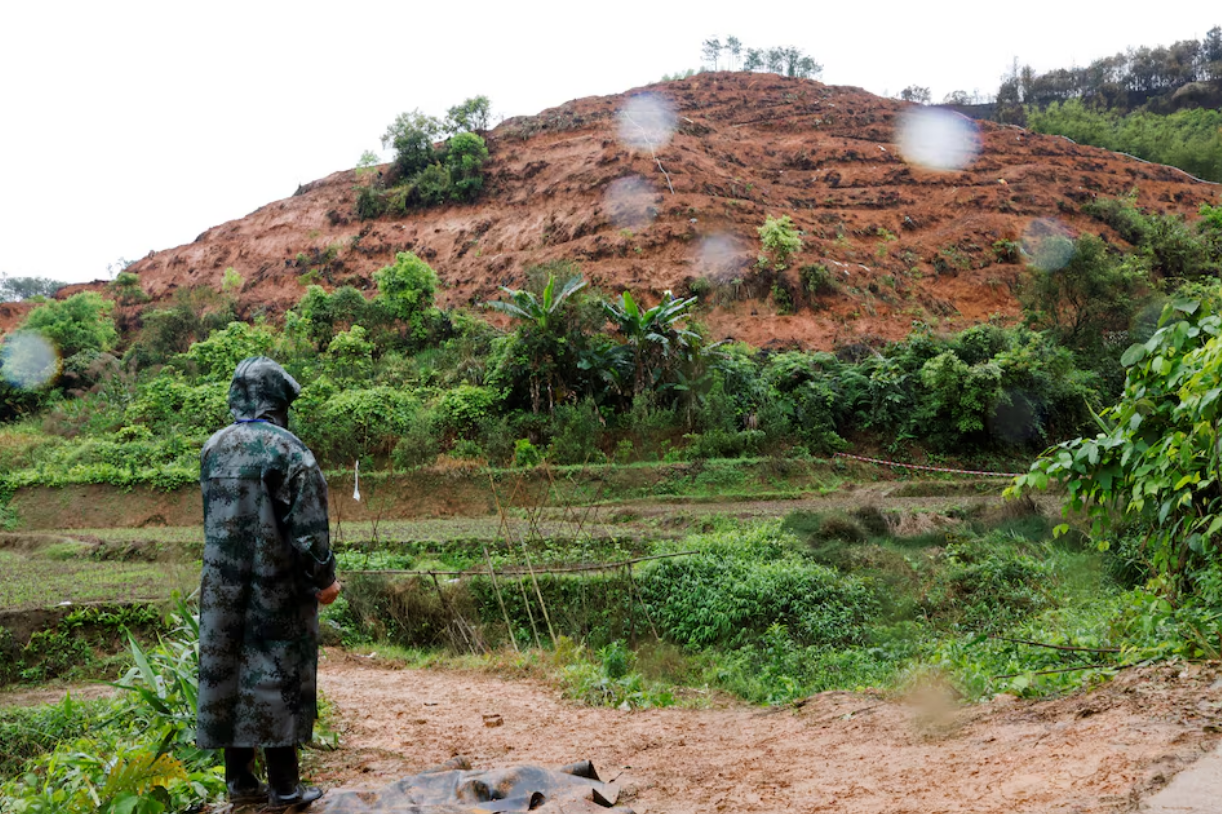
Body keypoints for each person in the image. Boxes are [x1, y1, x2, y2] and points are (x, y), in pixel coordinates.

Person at [197, 356, 341, 810]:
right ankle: (285, 789)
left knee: (229, 674)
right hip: (275, 588)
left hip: (222, 590)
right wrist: (325, 579)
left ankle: (240, 782)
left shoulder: (213, 448)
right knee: (279, 676)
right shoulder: (290, 452)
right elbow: (310, 531)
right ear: (278, 400)